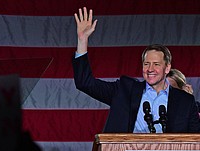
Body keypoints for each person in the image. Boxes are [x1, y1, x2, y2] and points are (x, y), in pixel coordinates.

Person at [72, 7, 200, 133]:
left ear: (167, 68)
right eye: (146, 64)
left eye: (156, 64)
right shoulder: (125, 91)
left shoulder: (185, 101)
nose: (150, 69)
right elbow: (85, 82)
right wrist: (82, 40)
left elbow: (196, 142)